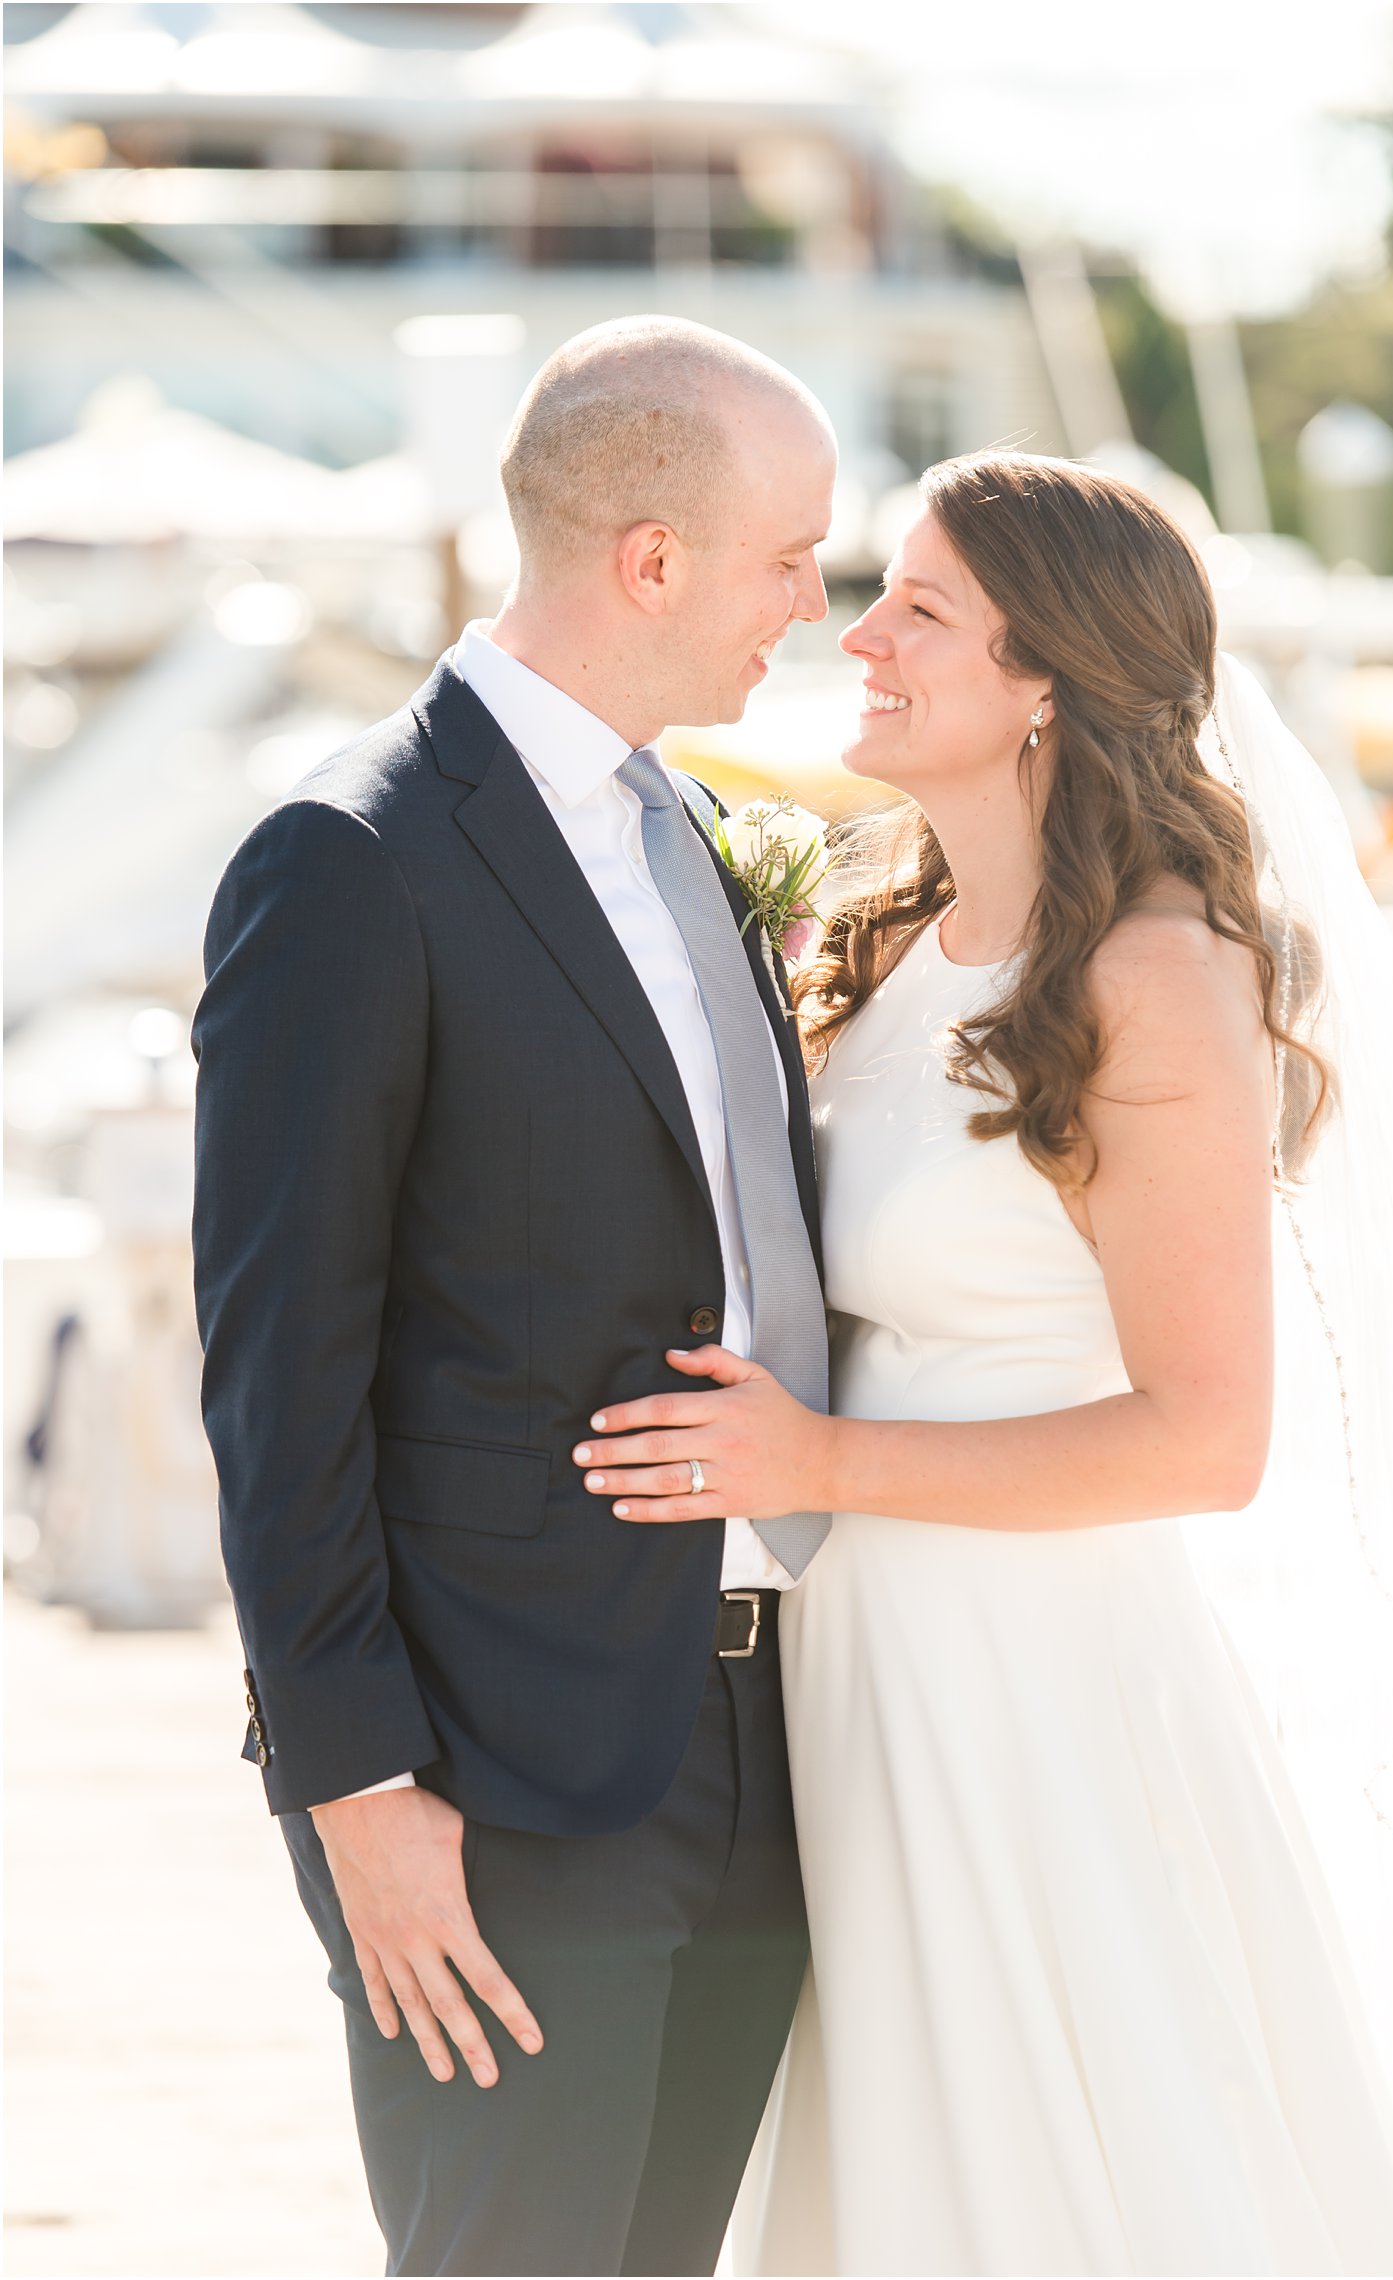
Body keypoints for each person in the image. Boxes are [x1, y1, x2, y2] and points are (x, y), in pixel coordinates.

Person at [576, 454, 1393, 2275]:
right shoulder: (889, 950)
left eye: (919, 608)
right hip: (858, 1676)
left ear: (1047, 683)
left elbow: (1204, 1438)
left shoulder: (1154, 977)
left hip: (1039, 1690)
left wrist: (817, 1466)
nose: (861, 633)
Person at [191, 316, 838, 2278]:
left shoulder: (700, 837)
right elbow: (274, 1375)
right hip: (493, 1771)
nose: (812, 604)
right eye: (791, 555)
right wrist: (356, 1788)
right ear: (651, 561)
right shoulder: (349, 861)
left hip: (769, 1747)